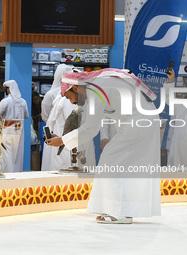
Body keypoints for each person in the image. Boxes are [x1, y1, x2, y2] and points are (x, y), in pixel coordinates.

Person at [46, 69, 161, 224]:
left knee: (110, 161)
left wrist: (62, 141)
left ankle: (119, 212)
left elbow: (90, 128)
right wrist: (62, 138)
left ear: (74, 88)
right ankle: (117, 209)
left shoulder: (95, 89)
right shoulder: (95, 88)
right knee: (115, 164)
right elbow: (88, 122)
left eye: (69, 97)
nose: (72, 102)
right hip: (139, 121)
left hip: (138, 122)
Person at [0, 80, 29, 172]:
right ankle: (17, 172)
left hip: (7, 129)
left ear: (8, 90)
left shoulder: (5, 101)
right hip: (19, 129)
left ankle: (7, 172)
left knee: (7, 152)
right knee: (18, 152)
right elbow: (26, 116)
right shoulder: (23, 101)